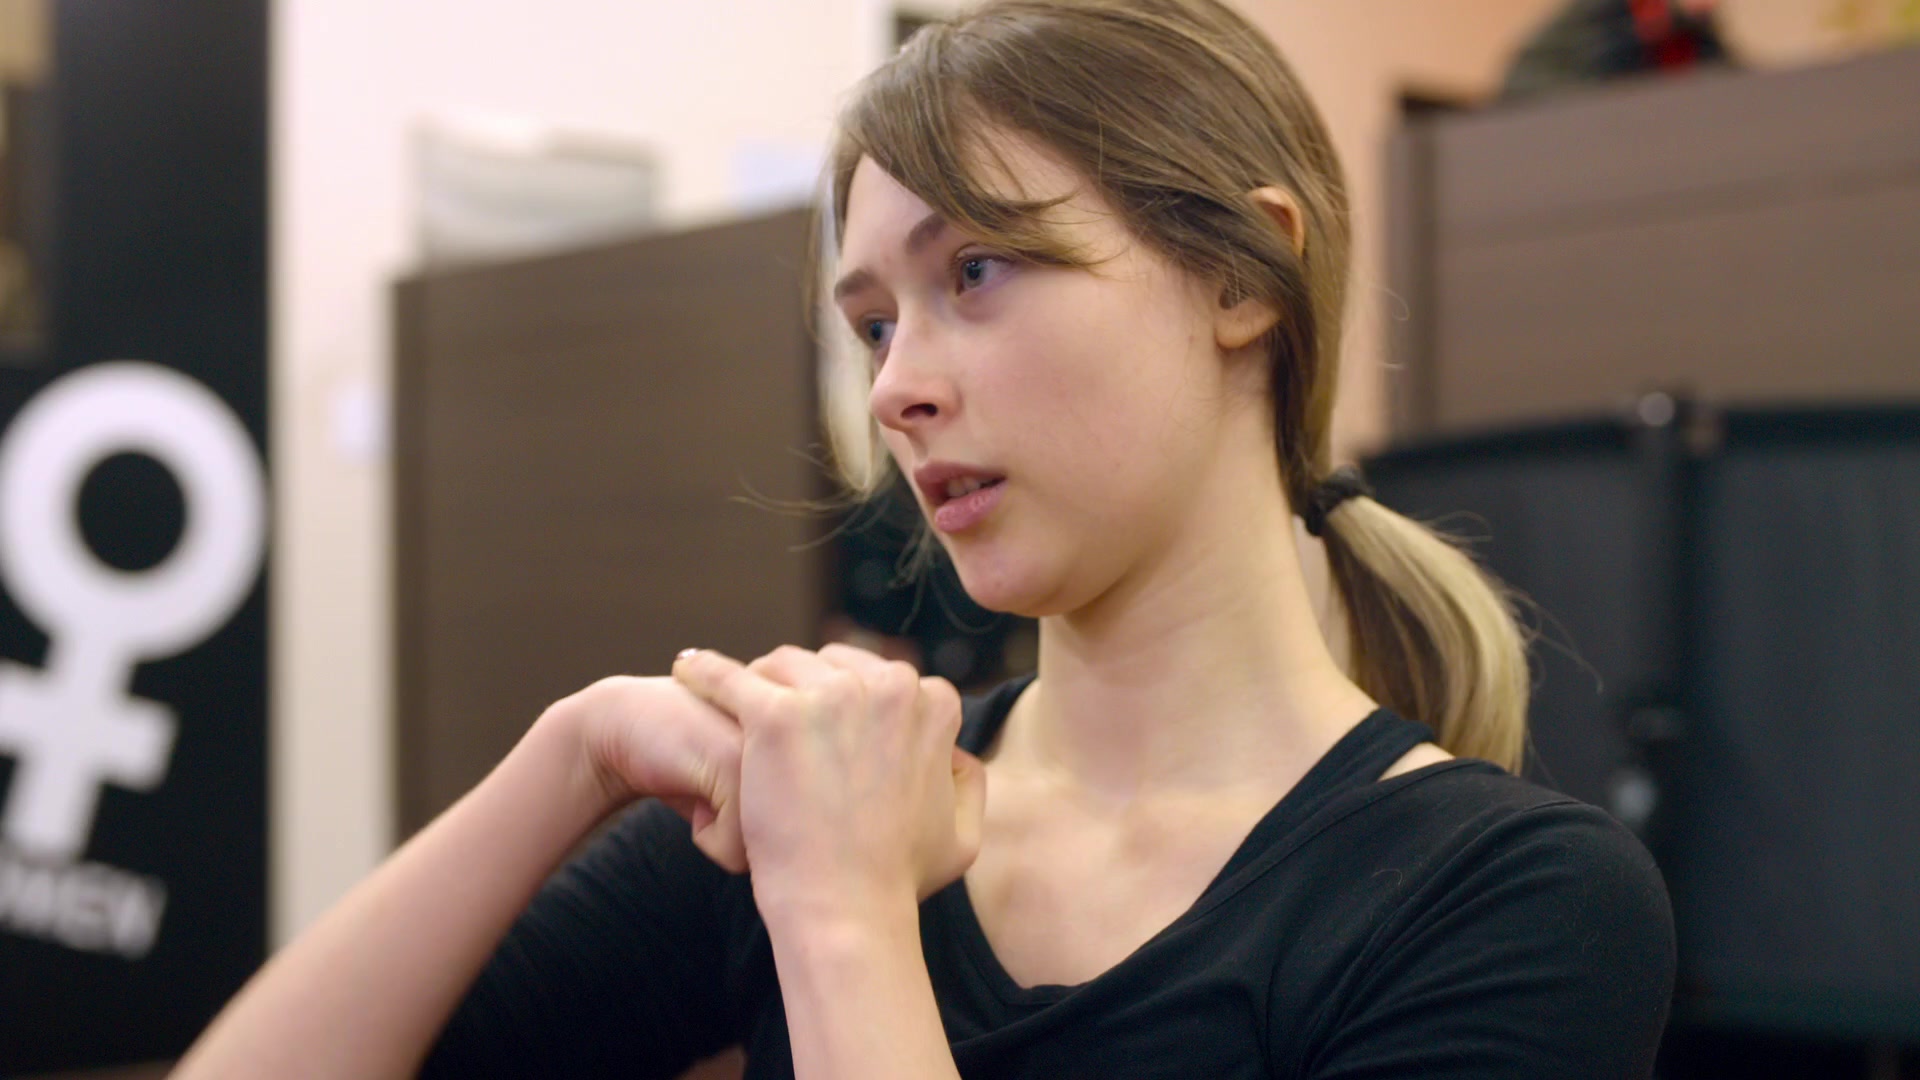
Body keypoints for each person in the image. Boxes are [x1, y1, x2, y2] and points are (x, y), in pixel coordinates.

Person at [172, 0, 1676, 1076]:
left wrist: (842, 919)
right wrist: (567, 760)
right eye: (875, 323)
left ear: (1243, 279)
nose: (898, 389)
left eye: (978, 271)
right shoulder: (834, 795)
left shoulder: (1510, 902)